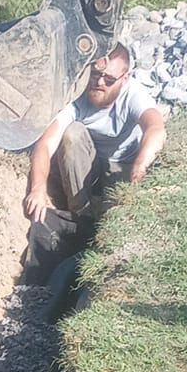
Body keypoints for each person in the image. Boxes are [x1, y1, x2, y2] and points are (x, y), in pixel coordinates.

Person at [24, 42, 166, 236]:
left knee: (115, 215)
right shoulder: (77, 97)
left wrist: (139, 167)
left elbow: (155, 128)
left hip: (123, 163)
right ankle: (81, 215)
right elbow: (46, 145)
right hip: (88, 161)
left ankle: (102, 228)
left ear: (125, 79)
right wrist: (38, 188)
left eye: (109, 79)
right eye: (96, 75)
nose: (100, 83)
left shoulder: (134, 95)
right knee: (72, 133)